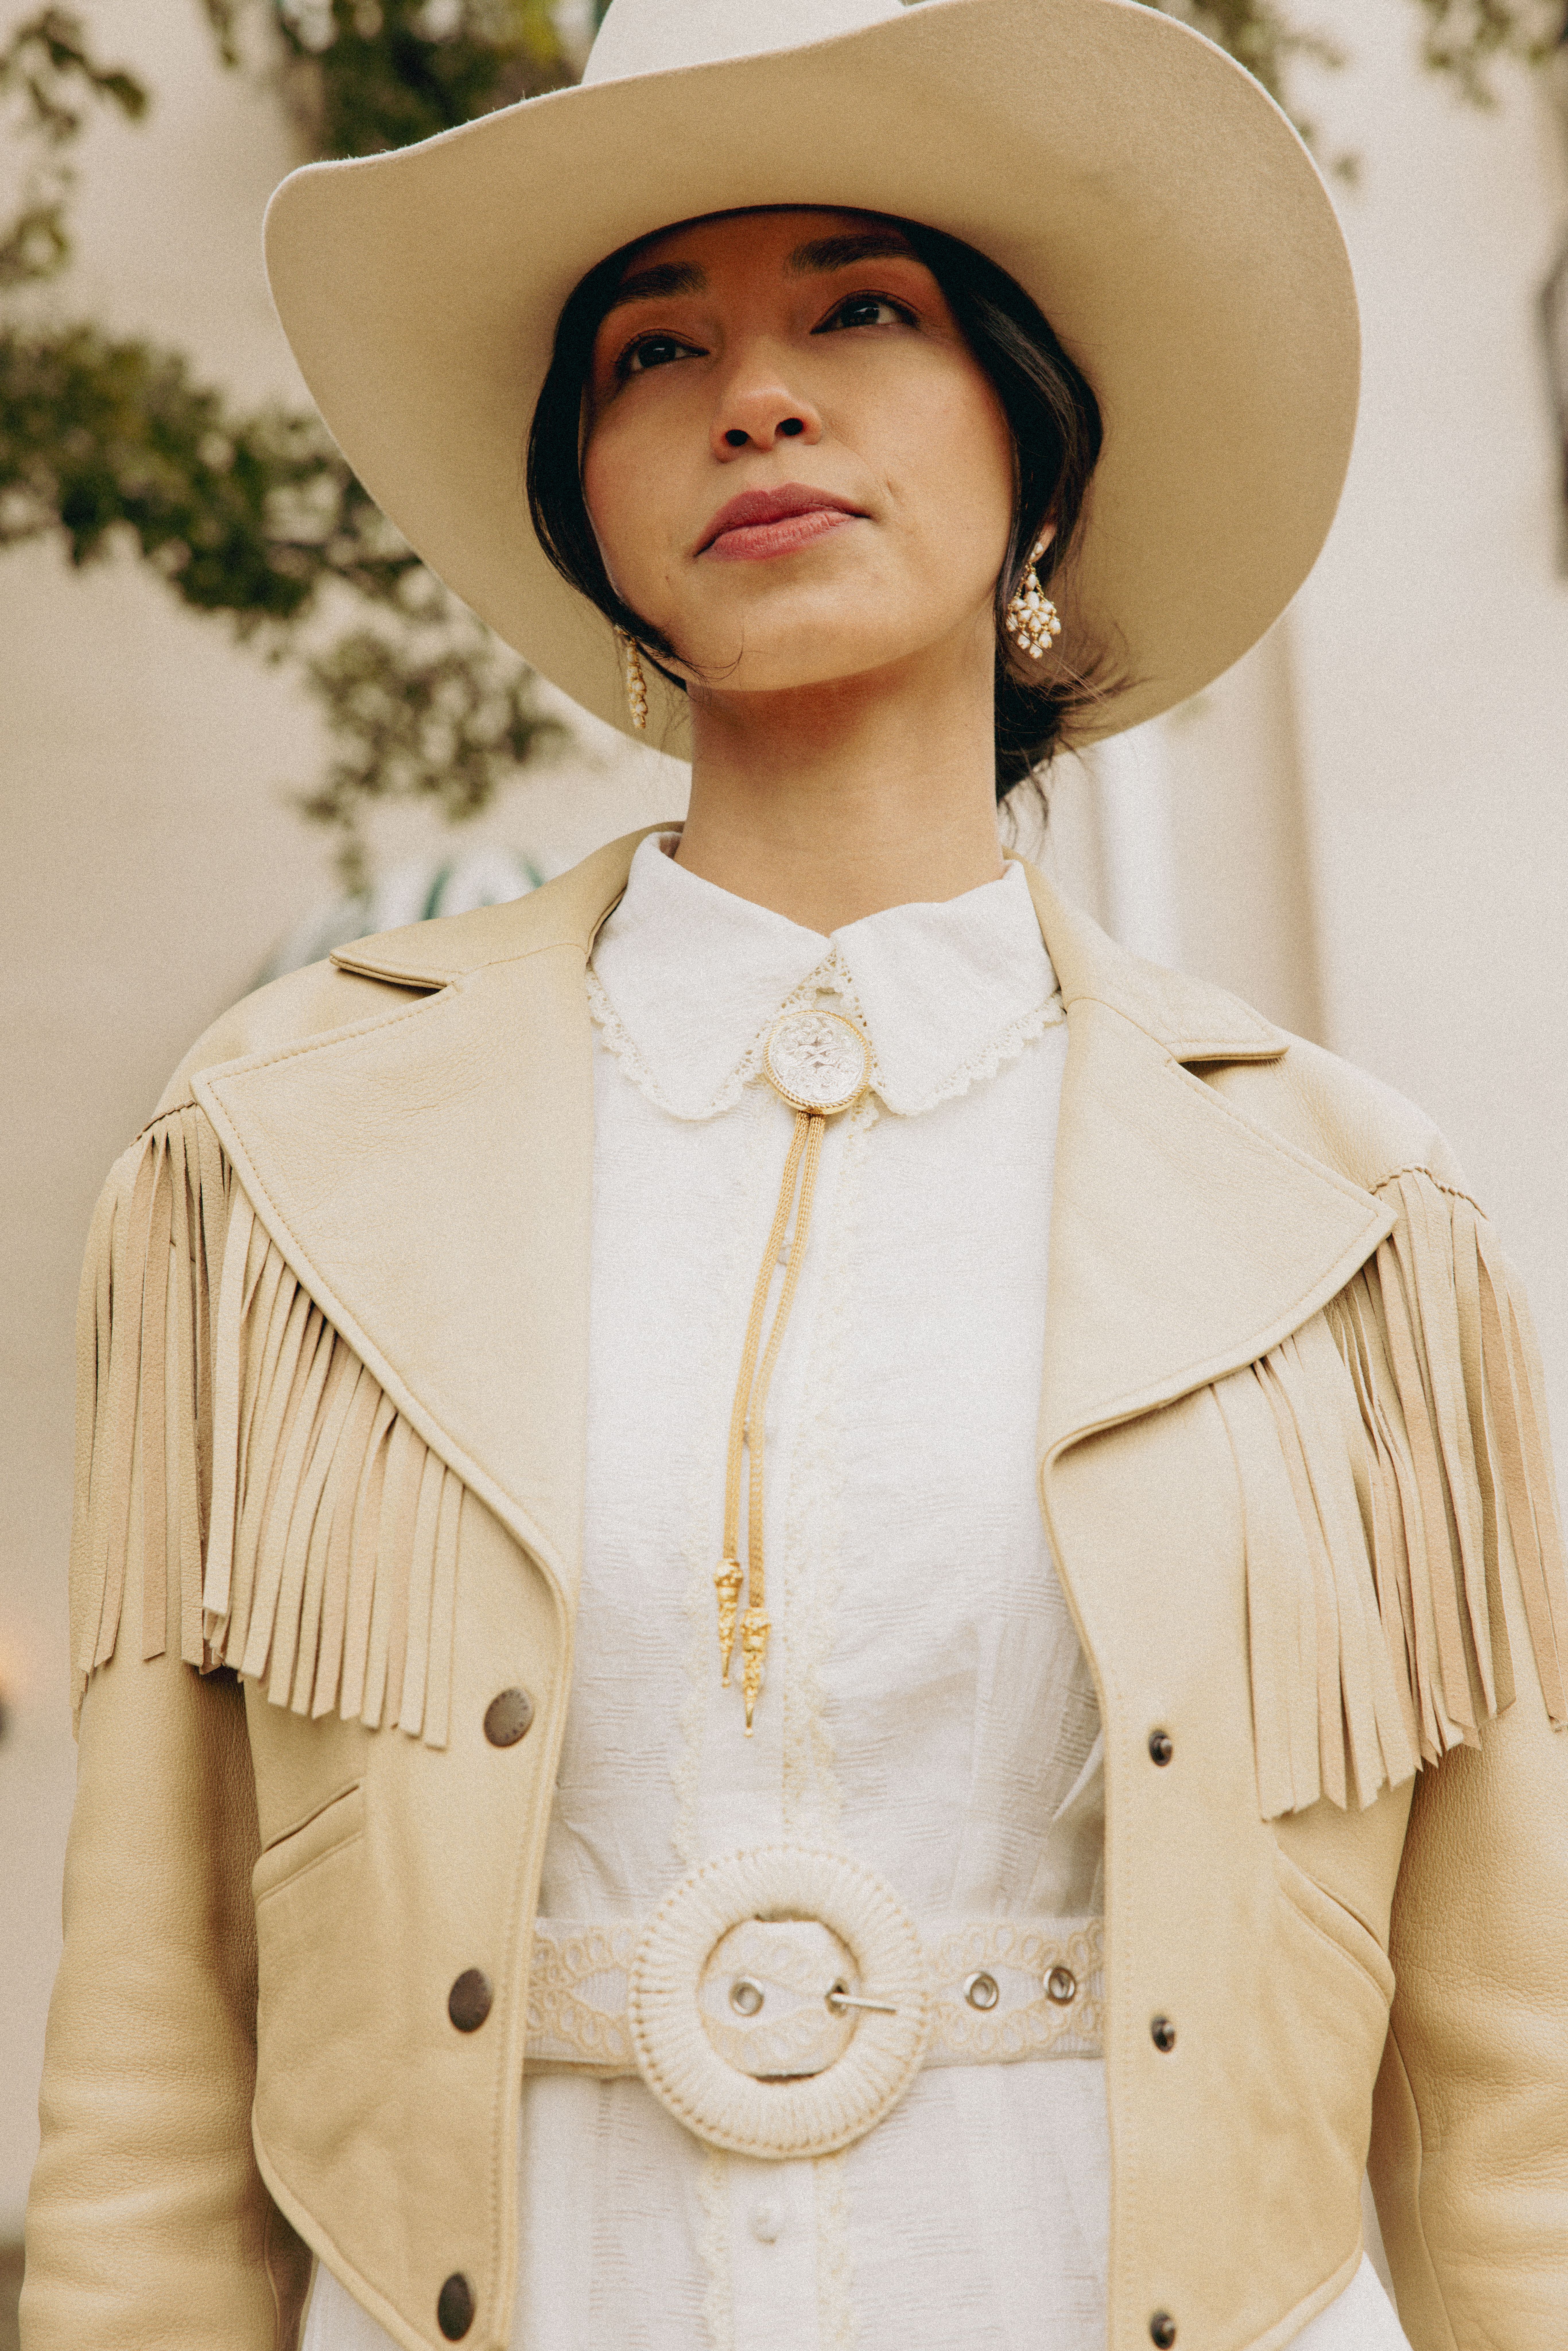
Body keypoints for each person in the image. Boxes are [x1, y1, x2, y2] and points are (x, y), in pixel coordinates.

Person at [22, 1, 1568, 2347]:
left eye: (860, 306)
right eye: (656, 346)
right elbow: (151, 2078)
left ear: (1032, 455)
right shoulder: (274, 1170)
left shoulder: (1344, 1229)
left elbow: (1500, 2119)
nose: (755, 391)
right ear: (598, 519)